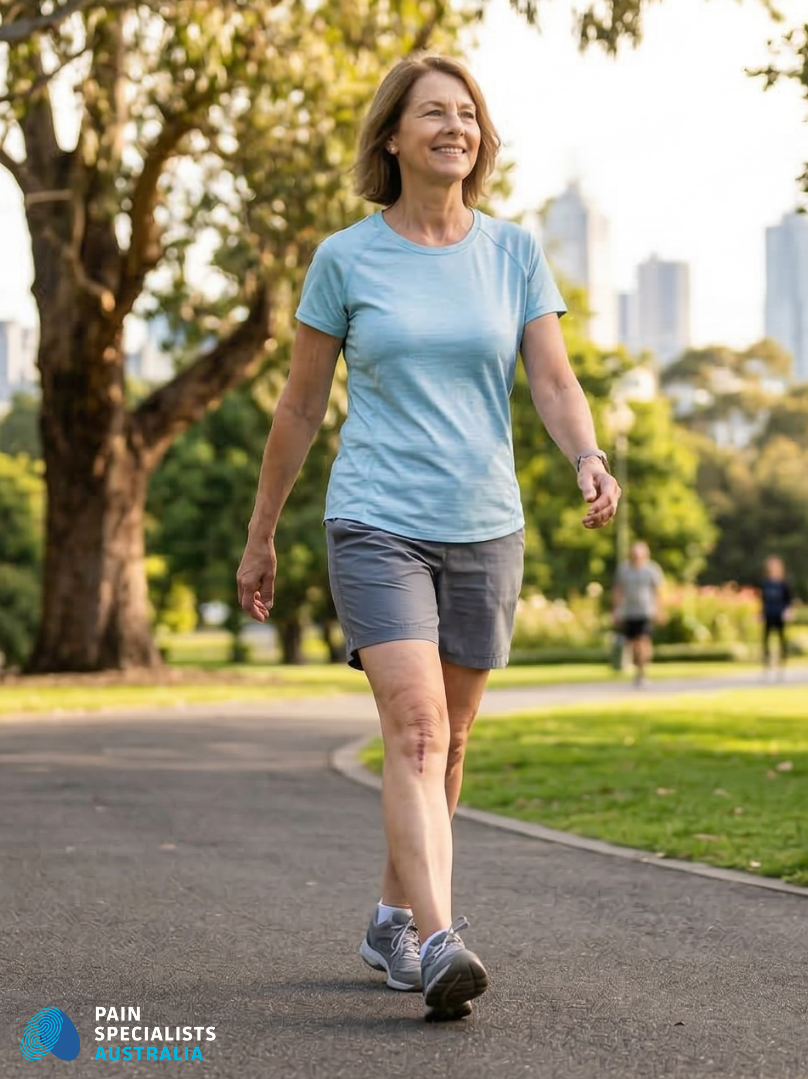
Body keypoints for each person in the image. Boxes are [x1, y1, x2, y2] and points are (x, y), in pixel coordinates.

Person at [236, 53, 621, 1022]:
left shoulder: (513, 251)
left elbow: (551, 379)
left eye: (469, 114)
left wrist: (585, 455)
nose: (456, 126)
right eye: (434, 113)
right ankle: (440, 939)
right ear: (393, 138)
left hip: (485, 522)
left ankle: (390, 919)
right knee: (413, 731)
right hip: (375, 518)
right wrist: (262, 532)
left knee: (447, 750)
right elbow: (299, 404)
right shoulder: (346, 259)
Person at [612, 541, 664, 686]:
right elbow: (618, 590)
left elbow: (657, 591)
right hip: (629, 612)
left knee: (643, 641)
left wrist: (660, 610)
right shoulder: (624, 570)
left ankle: (643, 670)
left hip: (645, 611)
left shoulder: (651, 570)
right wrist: (615, 610)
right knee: (632, 644)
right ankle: (638, 668)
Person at [760, 556, 793, 679]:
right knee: (766, 640)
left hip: (780, 615)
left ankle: (782, 666)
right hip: (769, 614)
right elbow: (763, 600)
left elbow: (788, 600)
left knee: (781, 639)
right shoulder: (766, 583)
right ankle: (767, 665)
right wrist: (761, 613)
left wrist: (788, 611)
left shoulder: (784, 584)